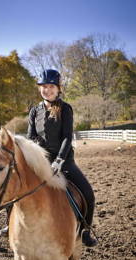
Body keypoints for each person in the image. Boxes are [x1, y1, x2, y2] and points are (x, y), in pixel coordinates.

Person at [27, 69, 97, 247]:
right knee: (16, 185)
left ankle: (85, 230)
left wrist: (58, 161)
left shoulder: (65, 109)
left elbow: (67, 137)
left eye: (51, 86)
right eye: (43, 86)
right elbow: (30, 137)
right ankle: (8, 225)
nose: (47, 90)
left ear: (58, 88)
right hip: (40, 162)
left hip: (64, 162)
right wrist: (39, 149)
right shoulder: (34, 111)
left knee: (88, 194)